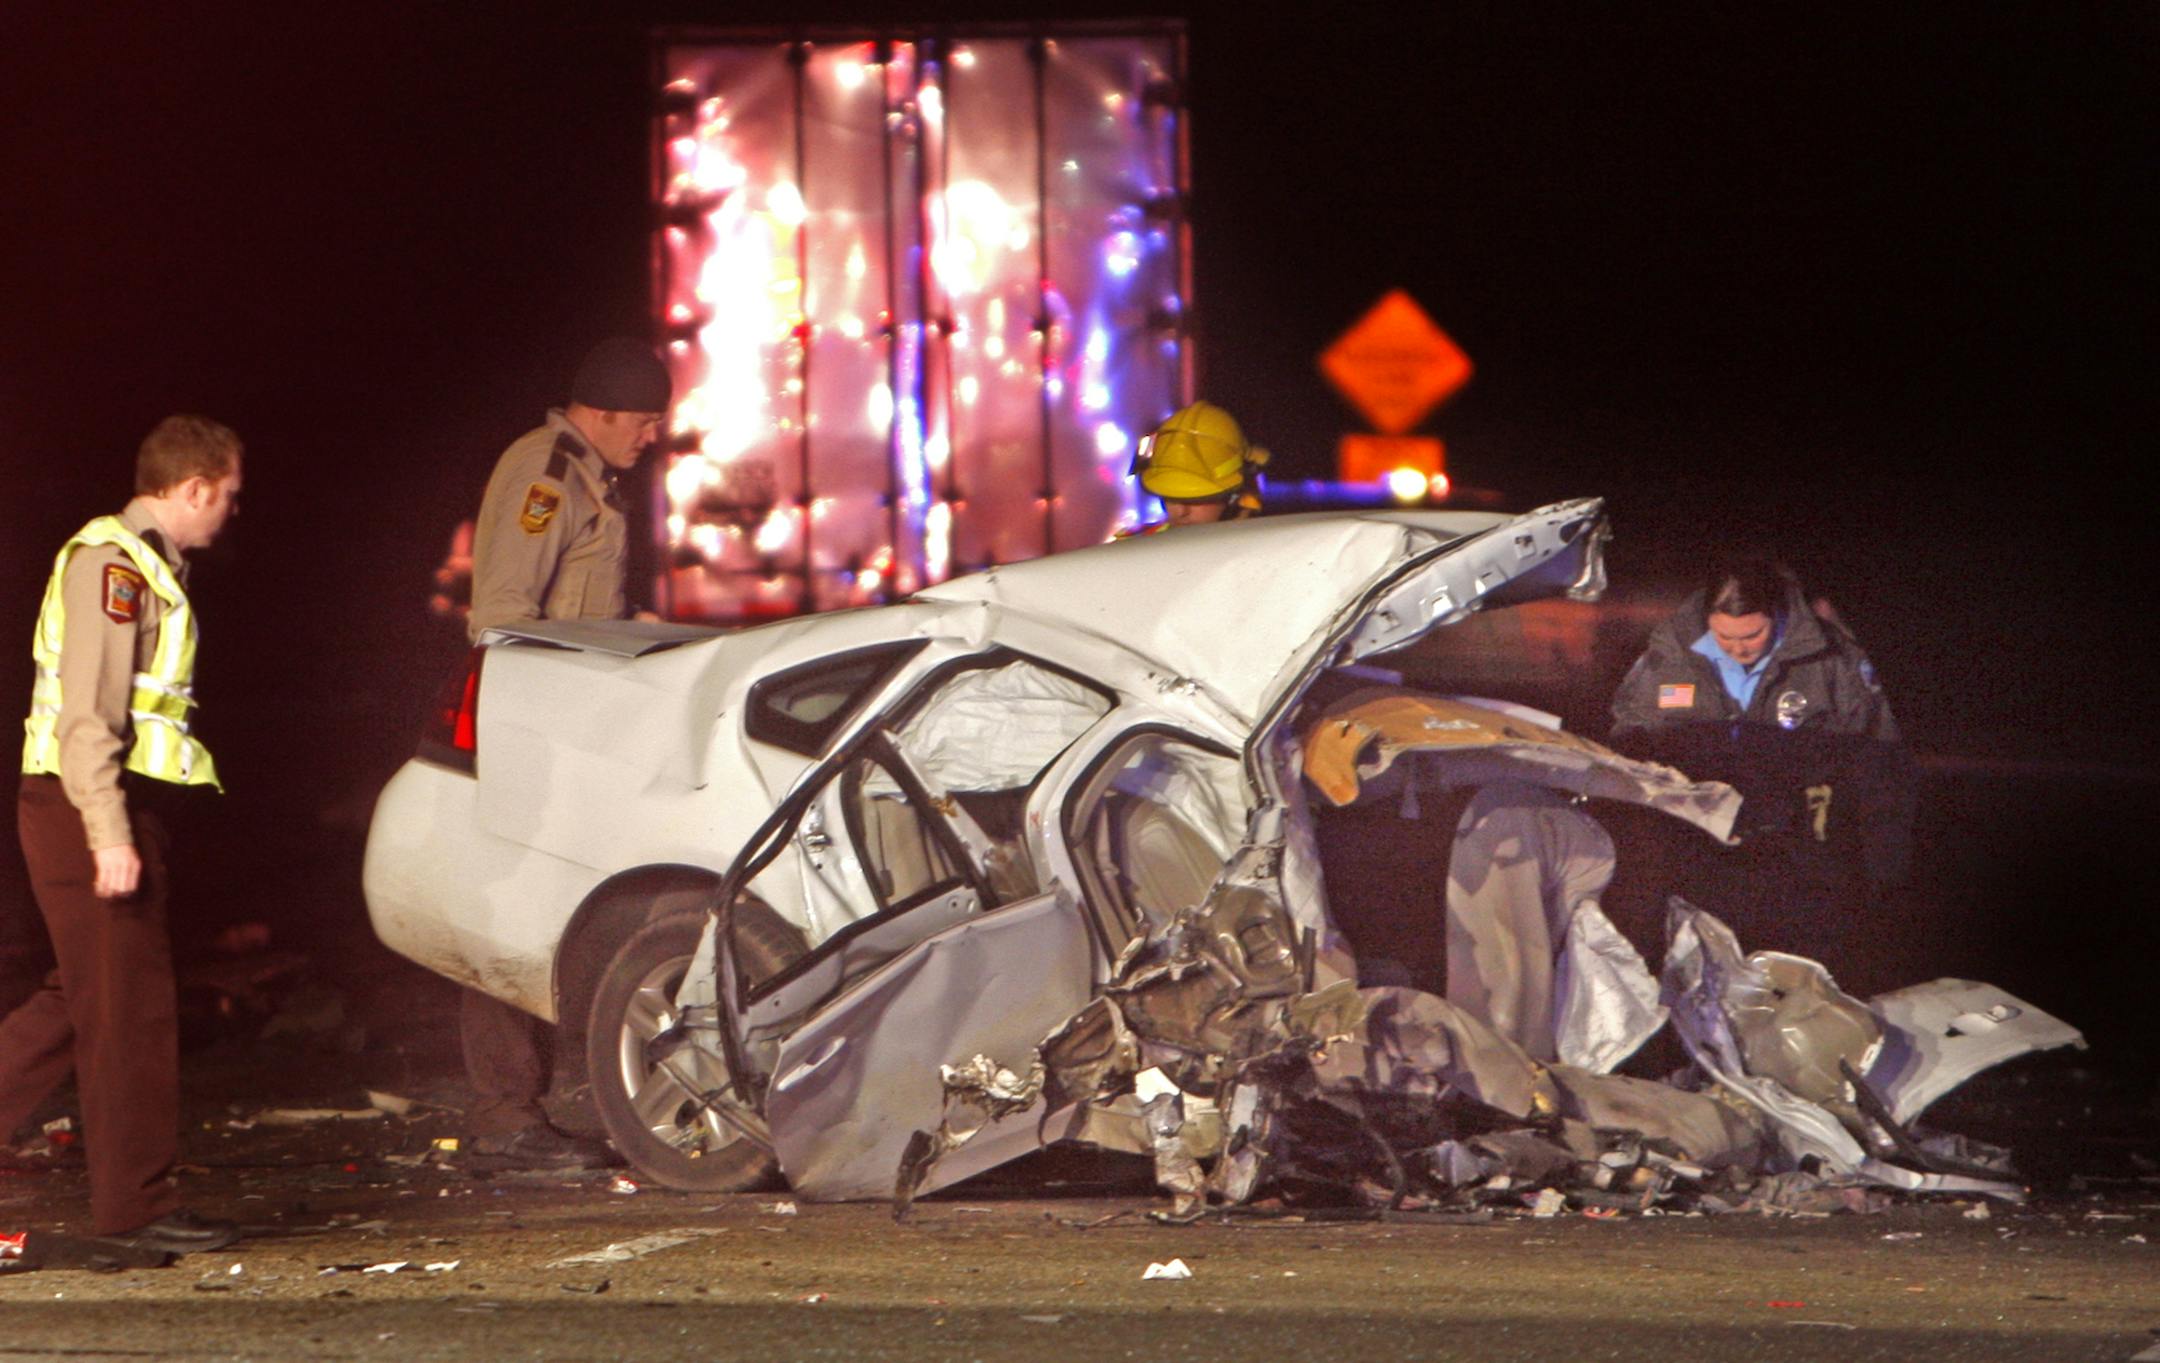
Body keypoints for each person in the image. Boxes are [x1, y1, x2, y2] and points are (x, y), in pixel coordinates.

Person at [0, 415, 245, 1255]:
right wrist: (109, 833)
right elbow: (87, 718)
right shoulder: (114, 565)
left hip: (93, 805)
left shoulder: (145, 566)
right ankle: (136, 1208)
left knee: (80, 999)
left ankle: (133, 1196)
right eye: (229, 496)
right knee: (130, 1010)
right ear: (195, 487)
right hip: (85, 805)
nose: (231, 512)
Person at [456, 337, 671, 1172]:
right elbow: (504, 613)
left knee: (557, 909)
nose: (652, 436)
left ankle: (530, 1101)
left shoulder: (588, 478)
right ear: (606, 408)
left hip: (571, 724)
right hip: (533, 723)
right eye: (646, 420)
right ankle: (503, 1111)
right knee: (512, 906)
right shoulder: (547, 475)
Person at [1120, 401, 1267, 533]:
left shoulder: (1272, 554)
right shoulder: (1132, 552)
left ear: (1234, 498)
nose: (1181, 512)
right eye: (1171, 498)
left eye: (1195, 500)